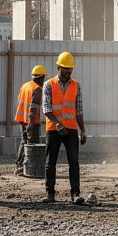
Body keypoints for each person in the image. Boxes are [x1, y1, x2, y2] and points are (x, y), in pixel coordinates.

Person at [42, 51, 87, 205]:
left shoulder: (76, 86)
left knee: (74, 162)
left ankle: (75, 193)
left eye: (70, 69)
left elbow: (79, 110)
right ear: (58, 67)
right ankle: (50, 193)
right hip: (54, 130)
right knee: (50, 162)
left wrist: (83, 130)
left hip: (70, 130)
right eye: (65, 69)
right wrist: (57, 123)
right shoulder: (49, 85)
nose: (68, 72)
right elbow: (46, 108)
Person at [14, 64, 45, 176]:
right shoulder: (37, 89)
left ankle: (19, 165)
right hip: (31, 122)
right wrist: (31, 124)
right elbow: (33, 108)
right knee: (31, 145)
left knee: (24, 141)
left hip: (22, 119)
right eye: (43, 78)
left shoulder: (25, 86)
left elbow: (19, 101)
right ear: (41, 78)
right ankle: (26, 167)